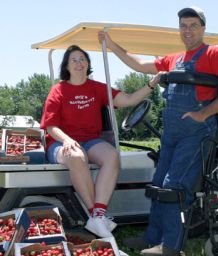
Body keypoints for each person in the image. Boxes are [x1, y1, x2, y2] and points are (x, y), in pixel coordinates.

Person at [99, 6, 218, 256]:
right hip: (172, 134)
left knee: (174, 187)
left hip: (196, 133)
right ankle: (151, 238)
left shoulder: (214, 54)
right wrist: (111, 44)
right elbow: (139, 64)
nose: (187, 30)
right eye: (183, 26)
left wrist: (204, 113)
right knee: (157, 186)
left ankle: (171, 247)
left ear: (202, 28)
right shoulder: (174, 59)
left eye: (193, 25)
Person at [40, 44, 160, 238]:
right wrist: (67, 140)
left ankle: (98, 214)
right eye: (74, 60)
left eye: (83, 59)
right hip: (60, 143)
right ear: (67, 66)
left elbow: (128, 100)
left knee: (113, 156)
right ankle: (93, 215)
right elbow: (50, 127)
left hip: (90, 140)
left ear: (88, 64)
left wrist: (152, 84)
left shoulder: (97, 88)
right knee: (77, 157)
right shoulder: (58, 90)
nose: (79, 63)